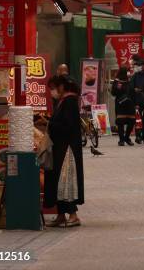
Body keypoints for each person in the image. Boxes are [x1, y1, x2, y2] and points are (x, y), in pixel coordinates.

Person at [44, 75, 84, 227]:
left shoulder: (69, 102)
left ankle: (73, 215)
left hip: (67, 150)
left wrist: (51, 125)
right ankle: (61, 215)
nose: (52, 92)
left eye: (53, 88)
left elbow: (67, 126)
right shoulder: (62, 102)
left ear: (62, 87)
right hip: (60, 147)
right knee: (57, 180)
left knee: (66, 182)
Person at [129, 57, 144, 144]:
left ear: (143, 66)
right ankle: (138, 136)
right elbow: (131, 87)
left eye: (138, 66)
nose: (136, 67)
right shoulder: (135, 76)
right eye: (136, 66)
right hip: (137, 100)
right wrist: (134, 90)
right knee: (138, 119)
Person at [111, 67, 135, 146]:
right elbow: (113, 93)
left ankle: (126, 137)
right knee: (120, 122)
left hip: (130, 103)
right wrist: (118, 88)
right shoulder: (117, 81)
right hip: (120, 104)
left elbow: (132, 91)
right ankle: (121, 140)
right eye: (127, 71)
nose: (128, 73)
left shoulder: (130, 81)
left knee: (131, 121)